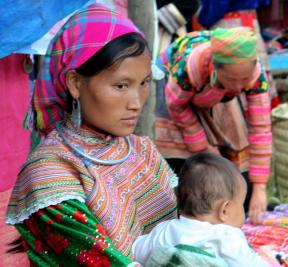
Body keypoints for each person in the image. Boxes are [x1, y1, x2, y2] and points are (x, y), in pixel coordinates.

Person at [6, 4, 177, 266]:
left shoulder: (140, 151)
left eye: (143, 83)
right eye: (121, 85)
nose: (136, 102)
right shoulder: (49, 174)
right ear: (75, 83)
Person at [154, 26, 272, 224]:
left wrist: (260, 186)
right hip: (174, 93)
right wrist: (202, 148)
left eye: (244, 79)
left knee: (238, 171)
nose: (238, 87)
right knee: (188, 165)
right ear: (216, 68)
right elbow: (176, 105)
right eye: (233, 79)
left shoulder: (254, 76)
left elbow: (260, 128)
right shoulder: (189, 67)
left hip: (215, 92)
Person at [132, 152, 271, 267]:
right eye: (241, 204)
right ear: (224, 210)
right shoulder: (226, 238)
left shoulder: (163, 231)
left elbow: (136, 252)